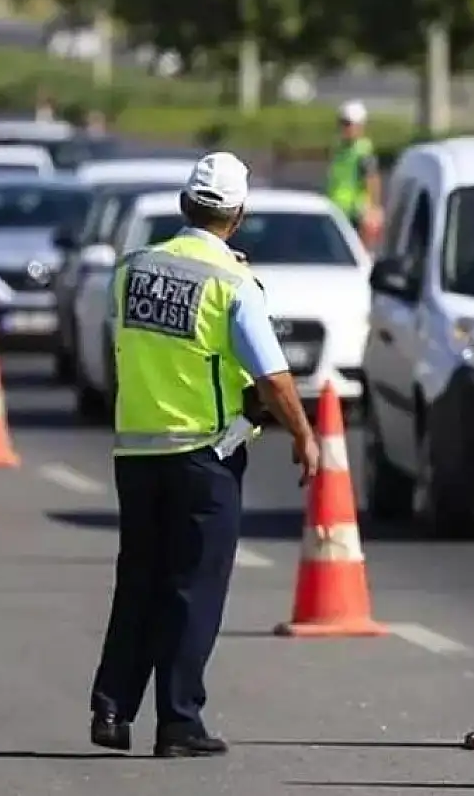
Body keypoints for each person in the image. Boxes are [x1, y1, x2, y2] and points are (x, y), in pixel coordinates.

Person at [89, 151, 320, 758]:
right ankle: (178, 721)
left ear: (183, 205)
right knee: (193, 588)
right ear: (237, 216)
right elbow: (272, 376)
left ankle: (112, 709)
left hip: (135, 451)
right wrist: (304, 435)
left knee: (138, 579)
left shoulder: (131, 270)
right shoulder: (232, 284)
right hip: (202, 454)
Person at [326, 100, 382, 240]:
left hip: (355, 214)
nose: (345, 128)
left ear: (360, 126)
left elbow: (372, 179)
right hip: (336, 209)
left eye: (349, 124)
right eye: (343, 123)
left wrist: (373, 210)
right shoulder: (339, 148)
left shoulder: (363, 150)